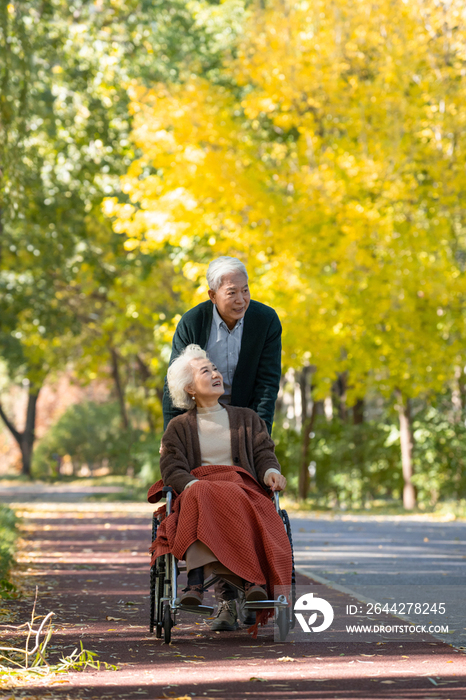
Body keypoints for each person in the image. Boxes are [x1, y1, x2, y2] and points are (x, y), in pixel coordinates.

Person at [150, 344, 291, 633]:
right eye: (206, 371)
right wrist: (191, 484)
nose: (216, 373)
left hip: (242, 488)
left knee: (230, 493)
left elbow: (264, 453)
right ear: (189, 387)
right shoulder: (177, 427)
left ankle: (205, 583)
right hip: (198, 489)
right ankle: (218, 583)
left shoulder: (247, 418)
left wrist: (272, 472)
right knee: (200, 493)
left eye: (215, 369)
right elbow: (172, 468)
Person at [162, 256, 282, 436]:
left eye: (245, 290)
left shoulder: (266, 321)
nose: (241, 300)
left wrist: (260, 436)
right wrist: (171, 438)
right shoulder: (192, 323)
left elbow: (267, 385)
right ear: (213, 295)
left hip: (246, 418)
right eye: (231, 293)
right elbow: (175, 384)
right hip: (200, 419)